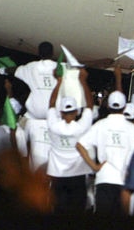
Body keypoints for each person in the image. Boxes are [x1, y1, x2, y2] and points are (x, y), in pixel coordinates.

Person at [76, 66, 134, 216]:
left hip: (104, 179)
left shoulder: (100, 125)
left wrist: (94, 166)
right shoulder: (131, 128)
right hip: (125, 181)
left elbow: (80, 145)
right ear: (124, 107)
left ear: (108, 105)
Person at [45, 67, 94, 214]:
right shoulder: (81, 128)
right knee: (77, 212)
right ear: (76, 112)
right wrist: (83, 81)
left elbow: (51, 104)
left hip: (57, 176)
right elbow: (90, 105)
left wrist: (58, 82)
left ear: (61, 112)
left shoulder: (54, 126)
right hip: (77, 175)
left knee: (58, 211)